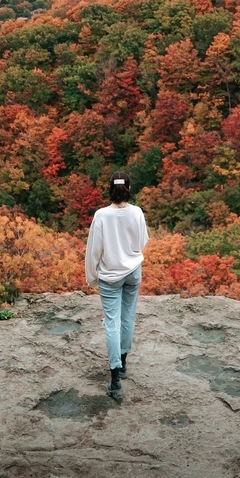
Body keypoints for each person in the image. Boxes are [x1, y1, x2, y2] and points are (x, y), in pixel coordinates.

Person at [85, 171, 149, 399]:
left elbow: (94, 249)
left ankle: (114, 381)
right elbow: (142, 242)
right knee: (128, 316)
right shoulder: (137, 212)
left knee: (112, 323)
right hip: (133, 271)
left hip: (110, 275)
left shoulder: (102, 215)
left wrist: (92, 276)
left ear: (110, 189)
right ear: (129, 189)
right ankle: (123, 365)